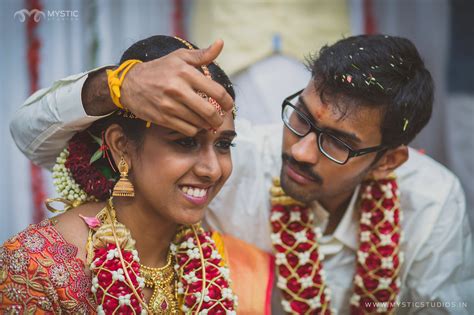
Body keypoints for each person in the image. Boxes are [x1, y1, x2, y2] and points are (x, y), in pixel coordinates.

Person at [9, 34, 474, 314]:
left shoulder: (431, 200)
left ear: (388, 161)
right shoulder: (243, 154)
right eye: (303, 118)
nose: (302, 150)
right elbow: (30, 134)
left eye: (338, 142)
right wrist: (116, 85)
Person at [1, 35, 274, 314]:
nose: (212, 169)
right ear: (121, 146)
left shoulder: (224, 266)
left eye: (224, 144)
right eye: (185, 142)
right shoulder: (40, 268)